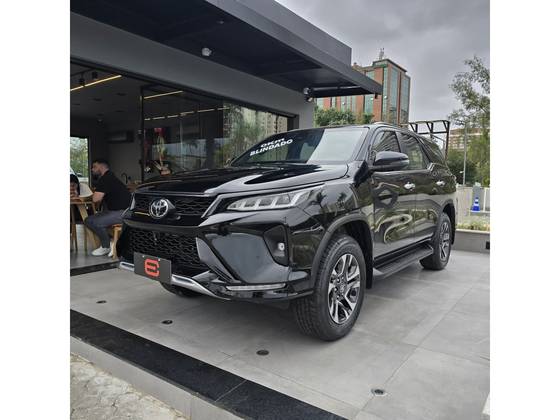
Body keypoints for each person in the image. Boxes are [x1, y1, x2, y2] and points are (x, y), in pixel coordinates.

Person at [85, 159, 131, 256]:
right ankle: (111, 241)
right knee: (88, 220)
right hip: (119, 211)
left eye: (94, 167)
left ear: (101, 167)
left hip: (123, 213)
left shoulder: (106, 179)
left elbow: (95, 199)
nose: (92, 169)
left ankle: (106, 246)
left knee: (96, 222)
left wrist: (90, 196)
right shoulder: (110, 177)